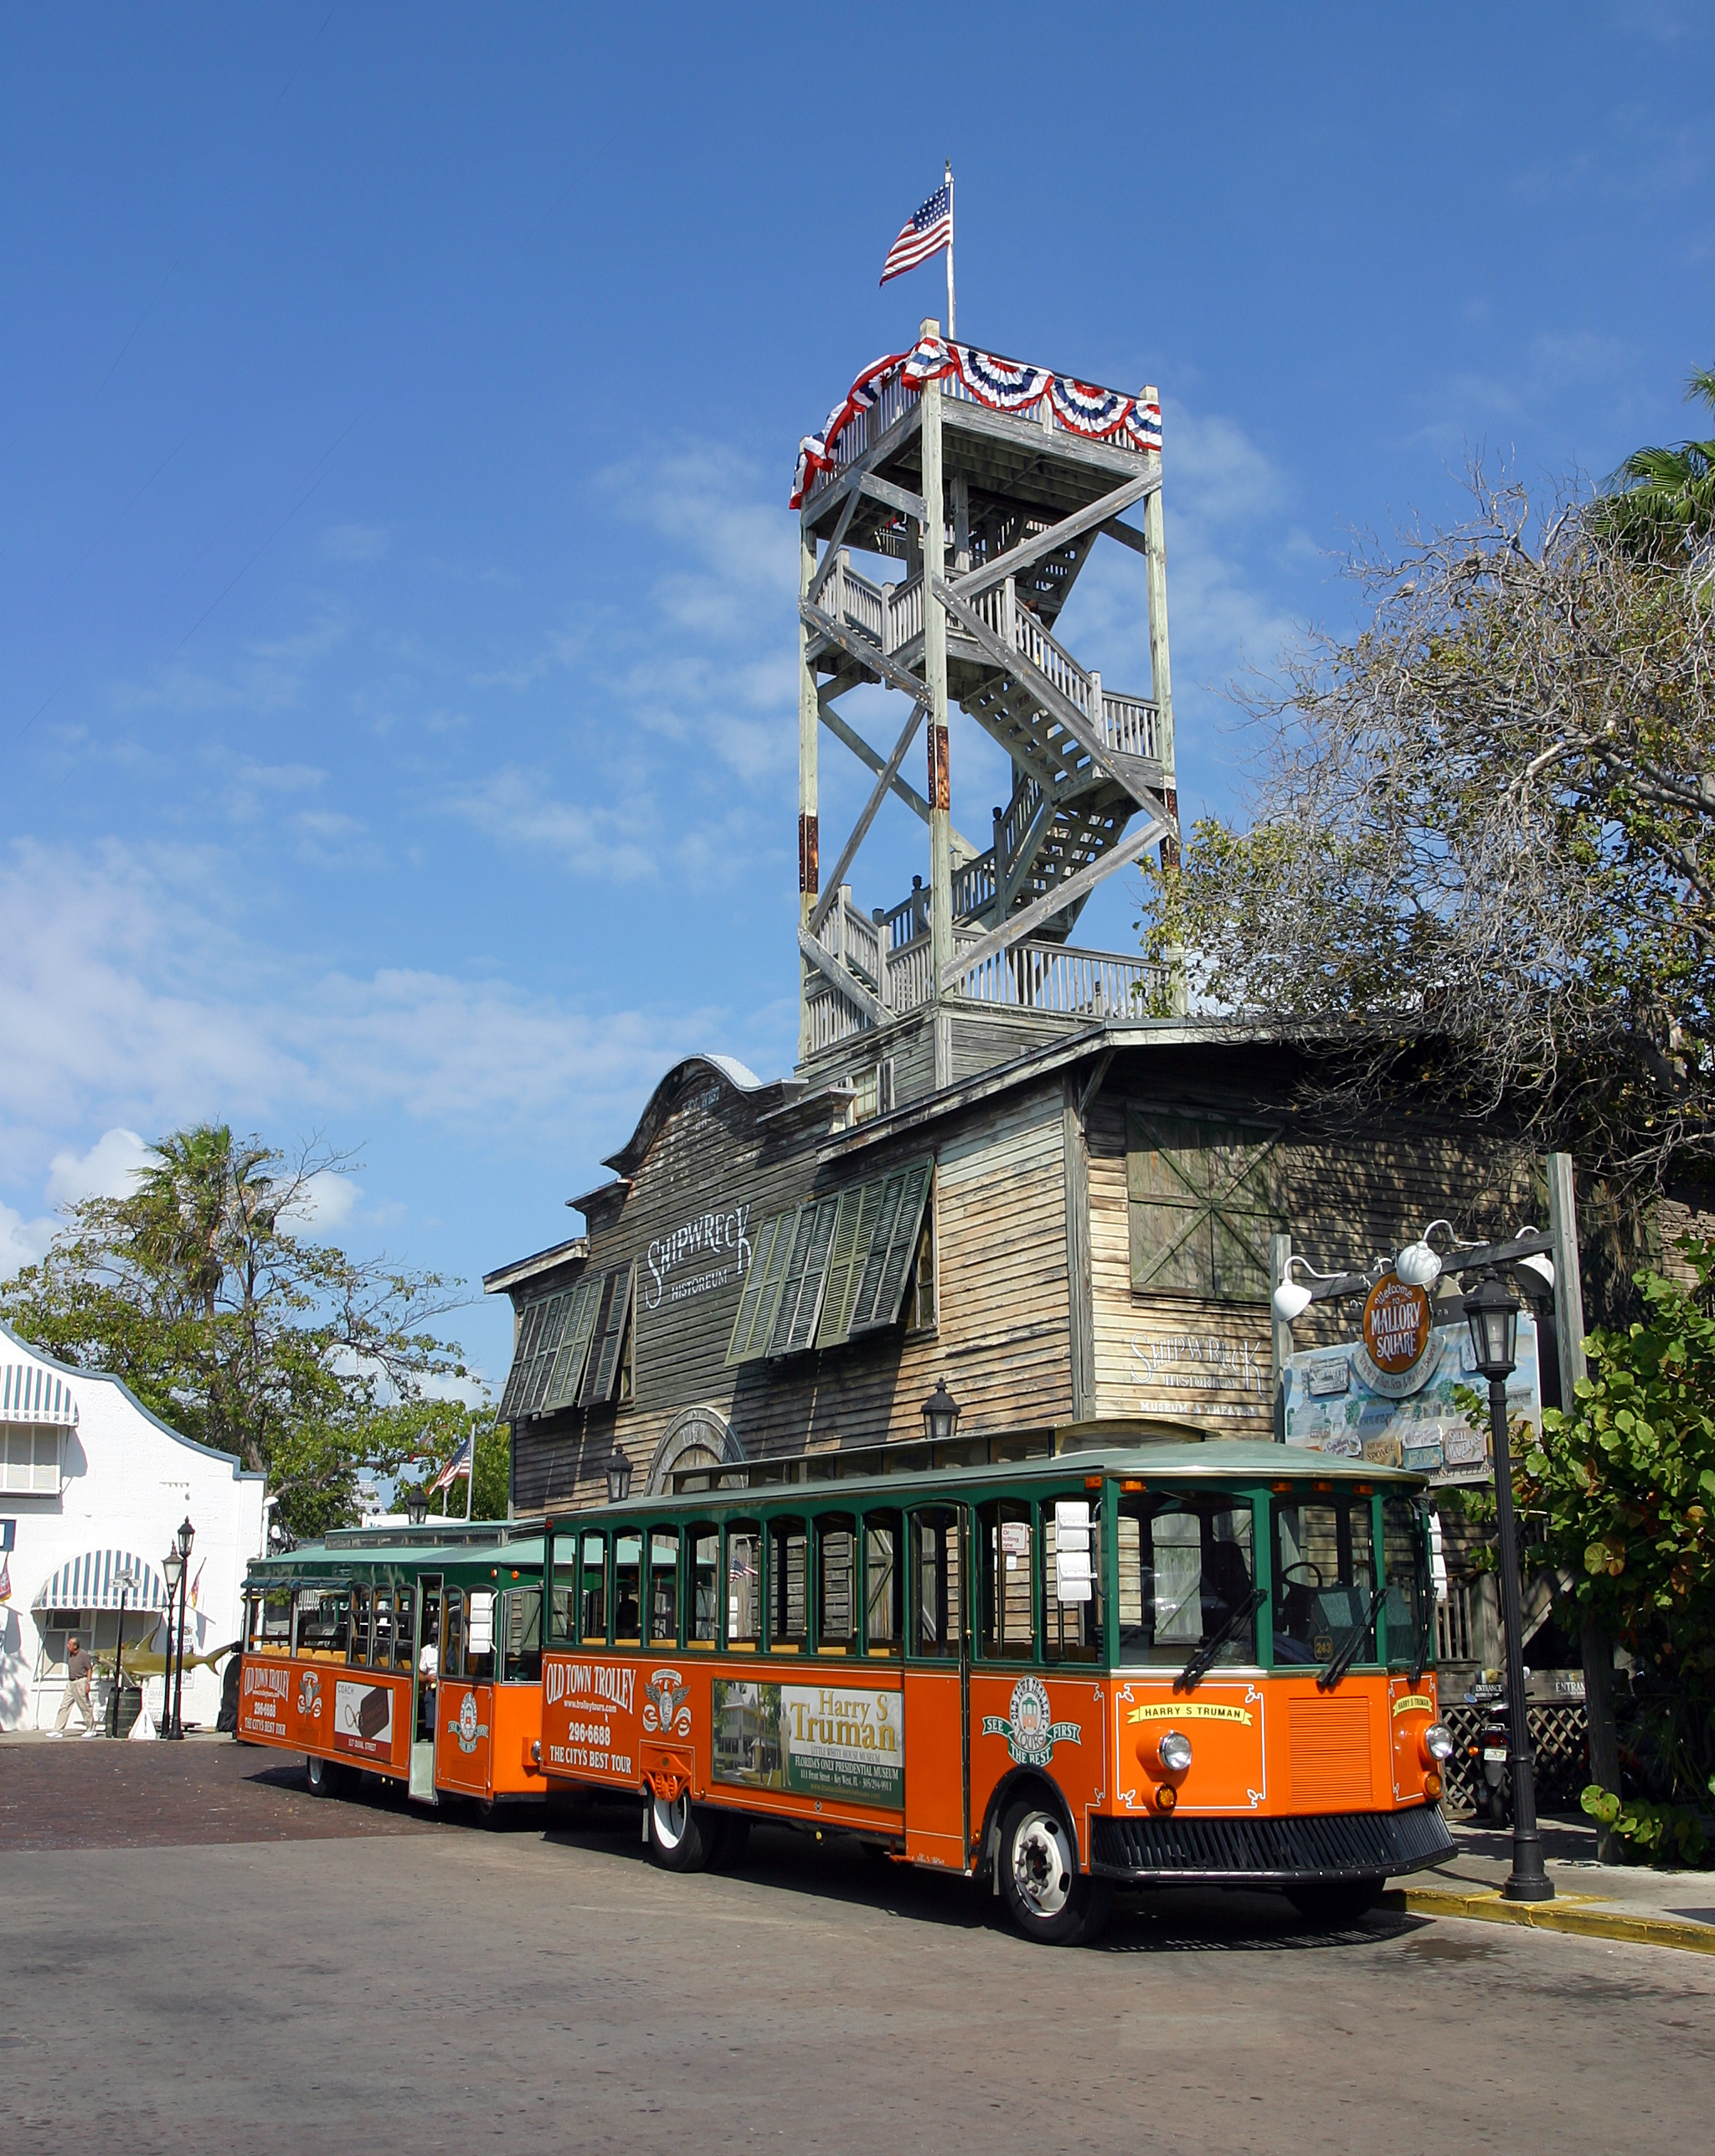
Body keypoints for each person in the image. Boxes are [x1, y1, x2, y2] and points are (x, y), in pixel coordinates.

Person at [53, 1635, 97, 1735]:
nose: (67, 1646)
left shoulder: (83, 1654)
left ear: (75, 1646)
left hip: (80, 1681)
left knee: (84, 1705)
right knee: (64, 1705)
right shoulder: (70, 1655)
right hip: (71, 1682)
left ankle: (91, 1728)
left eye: (69, 1644)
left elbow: (89, 1669)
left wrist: (88, 1684)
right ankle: (58, 1730)